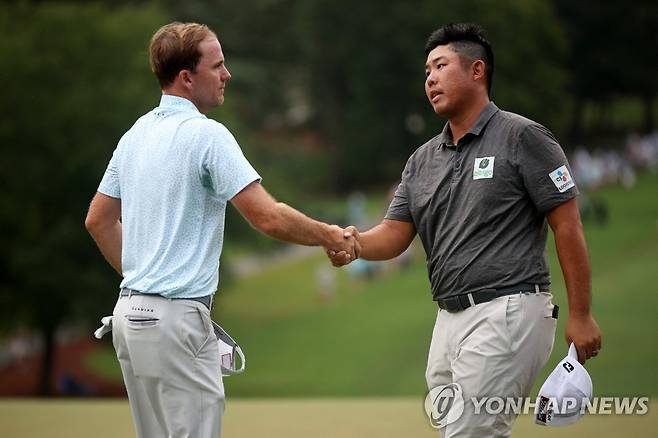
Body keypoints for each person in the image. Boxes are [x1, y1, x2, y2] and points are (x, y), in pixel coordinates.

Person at [85, 22, 357, 438]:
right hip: (177, 322)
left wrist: (144, 280)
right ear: (187, 78)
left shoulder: (134, 135)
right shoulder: (208, 136)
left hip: (128, 317)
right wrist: (330, 236)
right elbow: (267, 216)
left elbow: (98, 221)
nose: (226, 74)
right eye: (218, 65)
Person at [329, 23, 601, 437]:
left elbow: (567, 224)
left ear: (477, 71)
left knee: (469, 432)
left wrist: (580, 314)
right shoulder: (422, 160)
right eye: (426, 72)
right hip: (449, 319)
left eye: (440, 66)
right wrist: (355, 244)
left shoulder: (523, 136)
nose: (430, 79)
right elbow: (395, 232)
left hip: (509, 309)